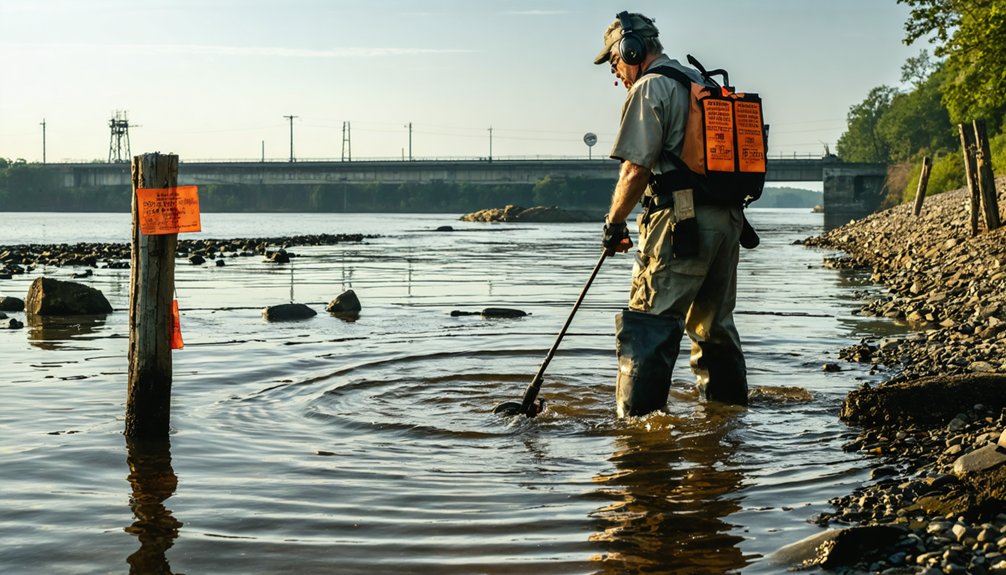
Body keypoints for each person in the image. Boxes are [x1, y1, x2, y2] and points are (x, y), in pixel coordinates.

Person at [594, 11, 749, 417]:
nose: (616, 74)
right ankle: (727, 423)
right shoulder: (703, 83)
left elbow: (635, 168)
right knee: (714, 328)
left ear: (632, 50)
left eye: (615, 62)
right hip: (727, 223)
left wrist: (614, 222)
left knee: (650, 324)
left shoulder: (650, 87)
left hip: (681, 223)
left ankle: (637, 436)